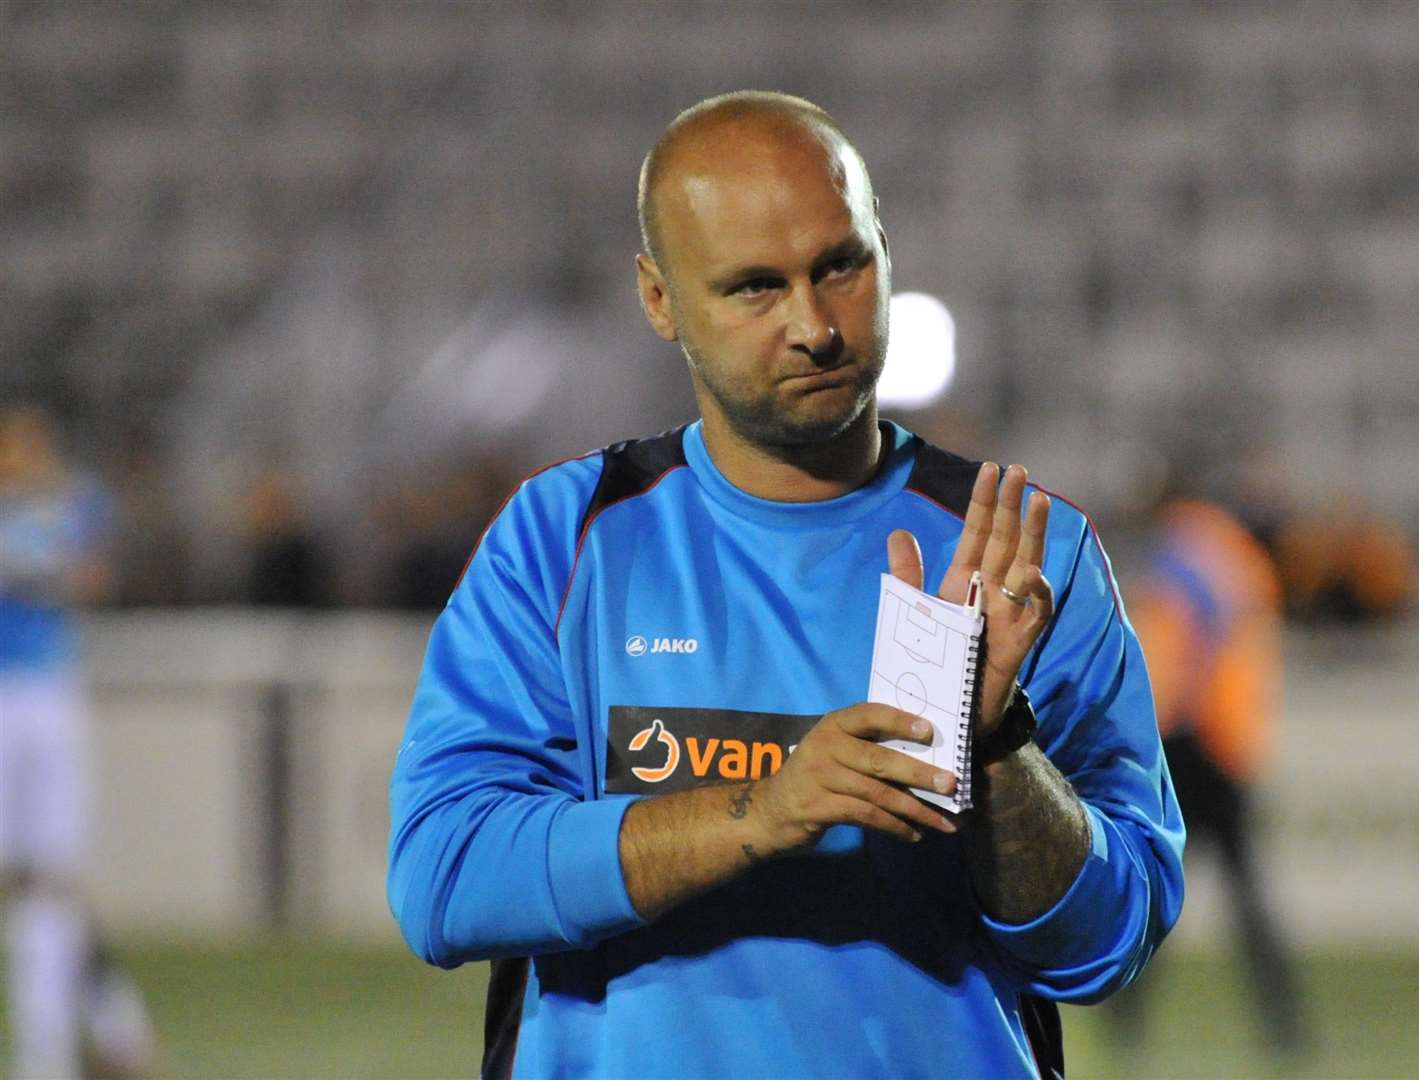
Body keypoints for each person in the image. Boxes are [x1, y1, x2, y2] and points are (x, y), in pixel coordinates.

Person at [388, 92, 1184, 1079]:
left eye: (841, 266)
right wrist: (765, 811)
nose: (814, 326)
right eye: (756, 288)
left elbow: (1112, 943)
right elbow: (445, 881)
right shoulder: (563, 540)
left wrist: (998, 751)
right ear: (658, 298)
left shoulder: (1024, 554)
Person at [1119, 487, 1310, 1059]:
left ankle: (1123, 1009)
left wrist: (1161, 722)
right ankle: (1283, 1020)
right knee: (1246, 894)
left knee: (1156, 885)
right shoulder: (1233, 551)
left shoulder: (1182, 550)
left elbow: (1185, 643)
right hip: (1231, 742)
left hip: (1194, 741)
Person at [0, 404, 155, 1079]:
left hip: (48, 690)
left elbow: (93, 578)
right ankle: (111, 1022)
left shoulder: (74, 502)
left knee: (50, 880)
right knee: (28, 882)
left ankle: (60, 1046)